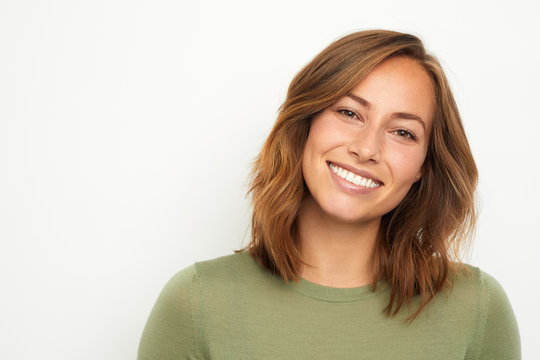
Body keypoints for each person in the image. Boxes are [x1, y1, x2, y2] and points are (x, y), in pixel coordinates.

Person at [137, 30, 520, 359]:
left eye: (403, 132)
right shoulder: (197, 303)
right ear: (305, 123)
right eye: (349, 113)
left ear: (424, 166)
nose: (367, 148)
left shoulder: (476, 309)